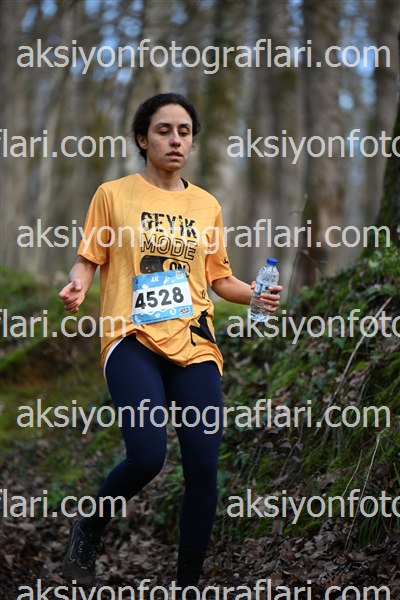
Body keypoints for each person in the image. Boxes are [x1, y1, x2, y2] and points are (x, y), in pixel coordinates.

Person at [59, 93, 282, 591]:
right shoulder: (113, 195)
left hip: (195, 342)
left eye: (185, 131)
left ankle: (187, 585)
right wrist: (78, 284)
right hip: (131, 336)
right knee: (147, 456)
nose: (176, 139)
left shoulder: (206, 205)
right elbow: (89, 257)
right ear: (143, 139)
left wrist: (255, 294)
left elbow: (219, 279)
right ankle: (89, 528)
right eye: (164, 130)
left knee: (203, 466)